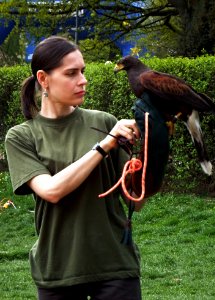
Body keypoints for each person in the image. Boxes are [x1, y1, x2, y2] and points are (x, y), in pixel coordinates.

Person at [5, 36, 146, 300]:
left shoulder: (105, 122)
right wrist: (104, 146)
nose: (83, 80)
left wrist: (152, 150)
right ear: (44, 79)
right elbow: (52, 190)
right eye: (71, 73)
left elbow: (135, 201)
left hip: (115, 266)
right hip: (58, 271)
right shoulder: (21, 137)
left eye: (82, 71)